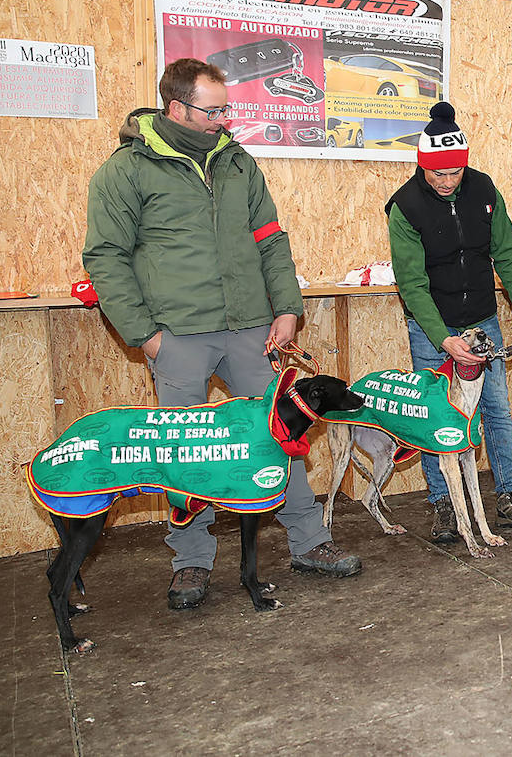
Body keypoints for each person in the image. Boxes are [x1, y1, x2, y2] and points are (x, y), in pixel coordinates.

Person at [83, 58, 361, 611]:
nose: (223, 120)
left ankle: (310, 543)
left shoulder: (238, 164)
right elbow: (105, 256)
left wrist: (286, 307)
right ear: (176, 108)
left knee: (281, 437)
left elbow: (270, 239)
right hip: (178, 335)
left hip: (251, 329)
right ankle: (191, 560)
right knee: (186, 453)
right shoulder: (126, 171)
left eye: (225, 109)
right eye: (213, 111)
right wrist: (146, 335)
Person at [386, 101, 512, 542]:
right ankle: (442, 503)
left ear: (464, 163)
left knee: (495, 409)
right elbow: (412, 283)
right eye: (436, 173)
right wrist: (442, 339)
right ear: (423, 167)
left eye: (453, 172)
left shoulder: (484, 191)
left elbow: (509, 257)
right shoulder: (405, 207)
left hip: (482, 321)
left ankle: (510, 497)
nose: (445, 181)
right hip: (430, 325)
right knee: (435, 414)